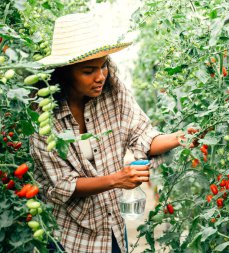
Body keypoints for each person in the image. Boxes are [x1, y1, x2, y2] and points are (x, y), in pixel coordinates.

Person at [29, 13, 190, 253]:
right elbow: (63, 185)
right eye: (88, 71)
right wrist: (117, 179)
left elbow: (142, 135)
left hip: (110, 224)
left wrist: (180, 137)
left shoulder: (112, 92)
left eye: (104, 64)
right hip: (67, 234)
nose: (100, 76)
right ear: (64, 73)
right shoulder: (42, 117)